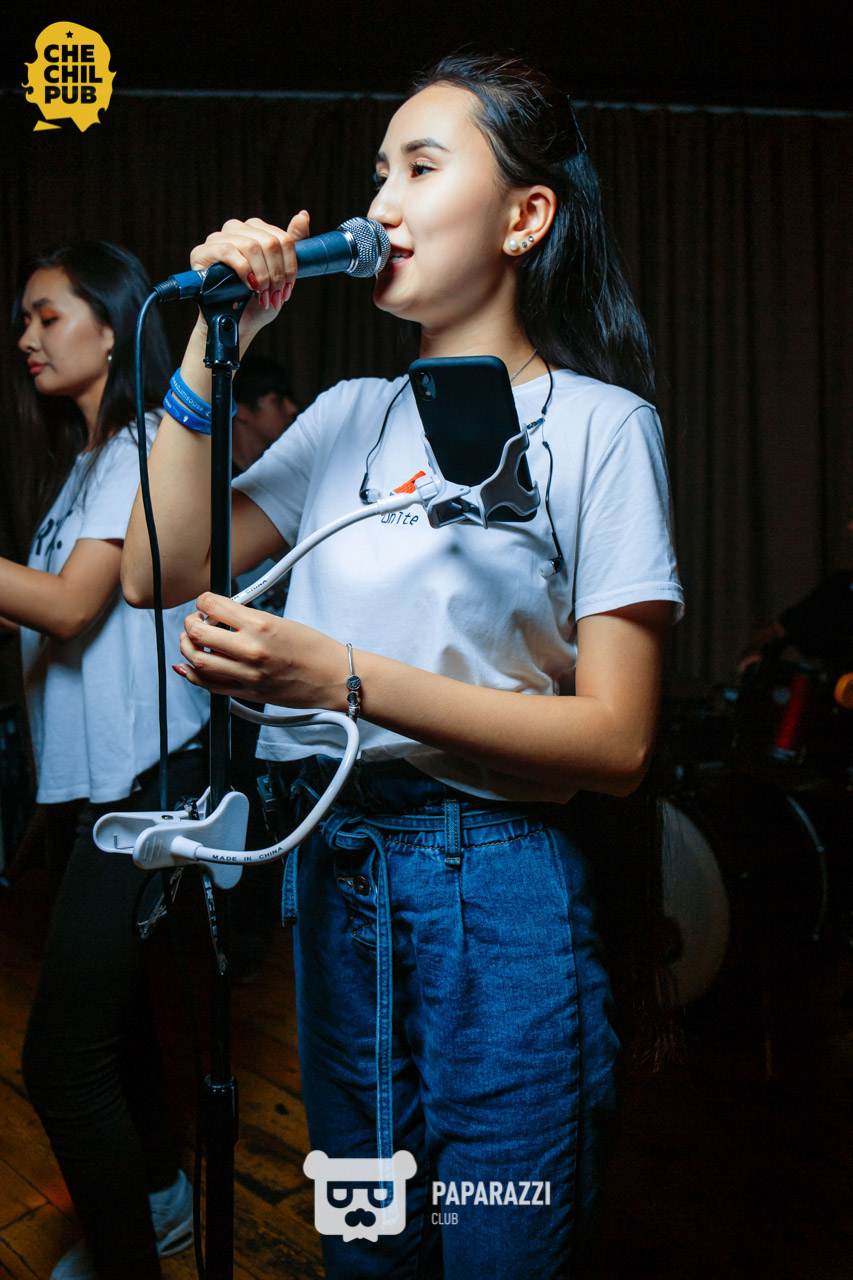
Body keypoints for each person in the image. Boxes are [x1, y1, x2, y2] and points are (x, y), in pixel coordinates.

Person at [122, 54, 683, 1279]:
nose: (379, 202)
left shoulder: (601, 426)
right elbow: (152, 568)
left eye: (421, 168)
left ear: (525, 216)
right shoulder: (346, 415)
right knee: (367, 1245)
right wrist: (218, 347)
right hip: (338, 873)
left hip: (503, 886)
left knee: (499, 1241)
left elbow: (618, 740)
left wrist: (341, 677)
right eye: (378, 172)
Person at [5, 241, 208, 1280]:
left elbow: (69, 607)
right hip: (91, 785)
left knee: (59, 1059)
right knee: (116, 1026)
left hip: (146, 785)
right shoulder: (83, 466)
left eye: (46, 314)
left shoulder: (137, 444)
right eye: (24, 320)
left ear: (111, 320)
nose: (26, 337)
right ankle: (160, 1196)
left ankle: (130, 1259)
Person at [231, 352, 298, 472]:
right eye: (277, 401)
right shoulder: (211, 477)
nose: (292, 409)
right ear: (241, 411)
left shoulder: (279, 474)